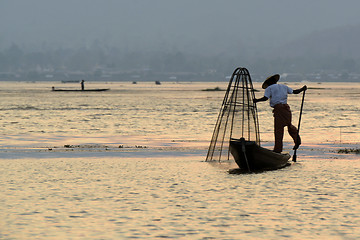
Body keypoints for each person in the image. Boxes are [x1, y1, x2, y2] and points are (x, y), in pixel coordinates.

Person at [254, 74, 307, 153]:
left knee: (278, 130)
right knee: (289, 125)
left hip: (279, 110)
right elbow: (295, 92)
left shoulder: (269, 88)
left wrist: (256, 100)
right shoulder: (284, 86)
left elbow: (265, 98)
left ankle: (277, 150)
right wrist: (302, 89)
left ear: (269, 83)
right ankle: (297, 140)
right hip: (286, 109)